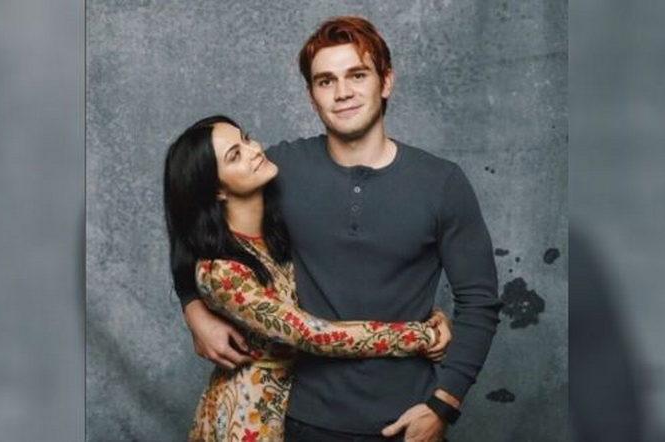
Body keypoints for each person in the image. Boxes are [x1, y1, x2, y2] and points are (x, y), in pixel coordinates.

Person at [180, 16, 503, 442]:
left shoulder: (442, 182)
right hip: (302, 420)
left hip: (408, 419)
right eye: (325, 81)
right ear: (312, 96)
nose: (343, 92)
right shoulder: (279, 169)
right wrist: (194, 308)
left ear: (386, 82)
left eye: (357, 75)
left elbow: (479, 301)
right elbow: (196, 214)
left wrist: (444, 405)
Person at [164, 115, 451, 441]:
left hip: (302, 405)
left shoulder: (277, 231)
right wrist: (421, 335)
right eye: (235, 155)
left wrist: (424, 311)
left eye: (246, 138)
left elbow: (338, 283)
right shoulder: (221, 270)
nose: (255, 149)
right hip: (248, 418)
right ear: (216, 190)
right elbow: (313, 334)